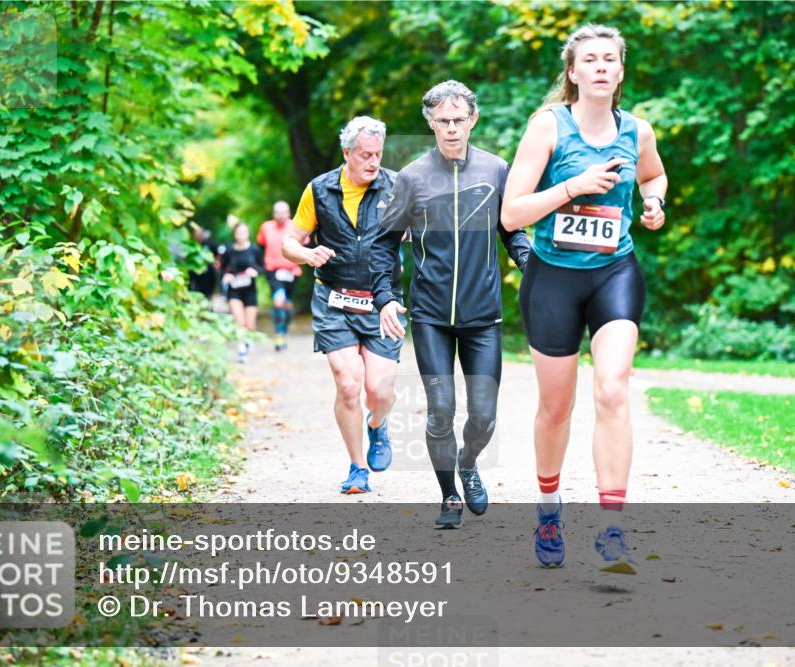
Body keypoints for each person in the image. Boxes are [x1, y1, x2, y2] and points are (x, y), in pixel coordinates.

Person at [500, 24, 668, 570]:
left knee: (613, 390)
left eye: (609, 59)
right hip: (553, 276)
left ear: (620, 71)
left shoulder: (637, 131)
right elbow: (511, 213)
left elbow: (654, 176)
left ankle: (612, 529)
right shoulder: (547, 127)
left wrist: (653, 203)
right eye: (589, 59)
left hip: (614, 270)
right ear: (573, 72)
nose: (600, 66)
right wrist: (573, 186)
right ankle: (549, 510)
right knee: (556, 407)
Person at [371, 80, 531, 529]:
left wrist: (526, 260)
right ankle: (448, 498)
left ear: (473, 119)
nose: (452, 128)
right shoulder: (412, 178)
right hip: (431, 316)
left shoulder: (498, 170)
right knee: (441, 410)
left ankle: (468, 463)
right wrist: (387, 297)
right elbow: (385, 246)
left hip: (483, 316)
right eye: (443, 121)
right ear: (430, 123)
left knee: (483, 415)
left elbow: (512, 229)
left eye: (459, 120)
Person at [281, 116, 404, 494]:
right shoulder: (319, 190)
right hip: (333, 299)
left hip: (382, 302)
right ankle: (357, 467)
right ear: (346, 152)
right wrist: (306, 253)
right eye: (365, 155)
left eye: (378, 155)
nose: (373, 162)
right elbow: (289, 243)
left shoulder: (397, 187)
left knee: (379, 390)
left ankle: (377, 425)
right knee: (348, 384)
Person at [257, 201, 303, 351]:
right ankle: (279, 335)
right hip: (273, 270)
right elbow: (260, 246)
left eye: (284, 212)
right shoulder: (266, 227)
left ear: (289, 213)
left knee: (287, 305)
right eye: (278, 212)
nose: (281, 215)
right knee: (278, 301)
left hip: (292, 271)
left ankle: (284, 328)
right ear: (273, 214)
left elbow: (305, 246)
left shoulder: (296, 226)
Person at [220, 220, 264, 363]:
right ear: (235, 234)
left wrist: (255, 271)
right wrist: (226, 276)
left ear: (248, 234)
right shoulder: (229, 250)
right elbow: (221, 268)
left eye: (244, 233)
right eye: (238, 233)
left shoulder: (255, 249)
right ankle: (241, 349)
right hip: (234, 290)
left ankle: (247, 341)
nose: (241, 235)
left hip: (250, 290)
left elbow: (262, 268)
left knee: (249, 325)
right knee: (240, 321)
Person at [187, 225, 217, 302]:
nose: (199, 236)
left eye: (200, 233)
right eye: (197, 233)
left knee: (207, 294)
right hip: (193, 273)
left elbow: (217, 255)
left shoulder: (209, 244)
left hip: (208, 274)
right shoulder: (189, 245)